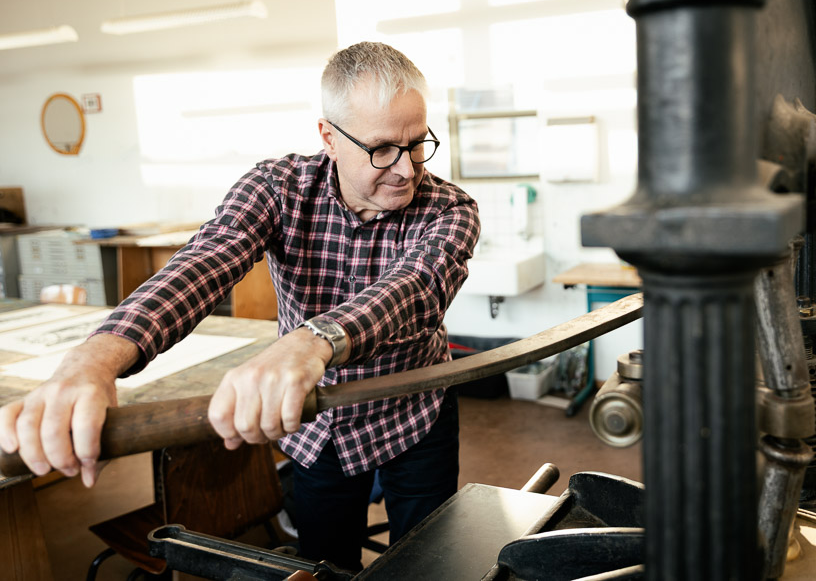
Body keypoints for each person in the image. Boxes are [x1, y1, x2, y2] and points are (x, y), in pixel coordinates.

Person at [0, 42, 481, 572]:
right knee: (323, 563)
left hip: (415, 408)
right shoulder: (277, 187)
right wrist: (93, 361)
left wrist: (312, 341)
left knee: (433, 561)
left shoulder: (450, 208)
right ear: (328, 137)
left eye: (417, 144)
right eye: (382, 148)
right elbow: (202, 264)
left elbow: (412, 288)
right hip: (319, 421)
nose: (406, 170)